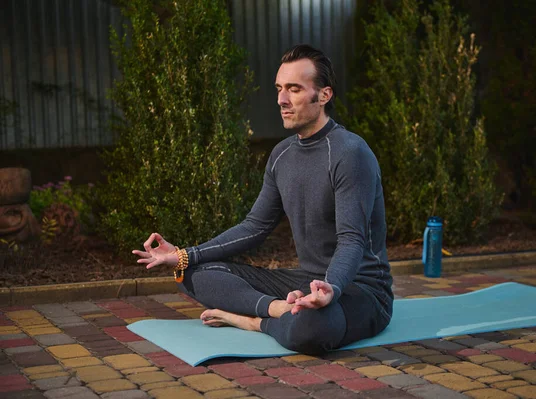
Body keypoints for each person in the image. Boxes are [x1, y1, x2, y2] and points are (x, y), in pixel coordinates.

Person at [133, 44, 393, 355]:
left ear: (324, 95)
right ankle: (278, 309)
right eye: (279, 89)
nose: (282, 100)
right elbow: (255, 227)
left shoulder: (350, 153)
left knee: (313, 328)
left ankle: (254, 321)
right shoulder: (281, 155)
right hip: (306, 281)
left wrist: (331, 289)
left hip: (359, 290)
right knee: (191, 273)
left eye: (294, 89)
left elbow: (351, 240)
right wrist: (185, 254)